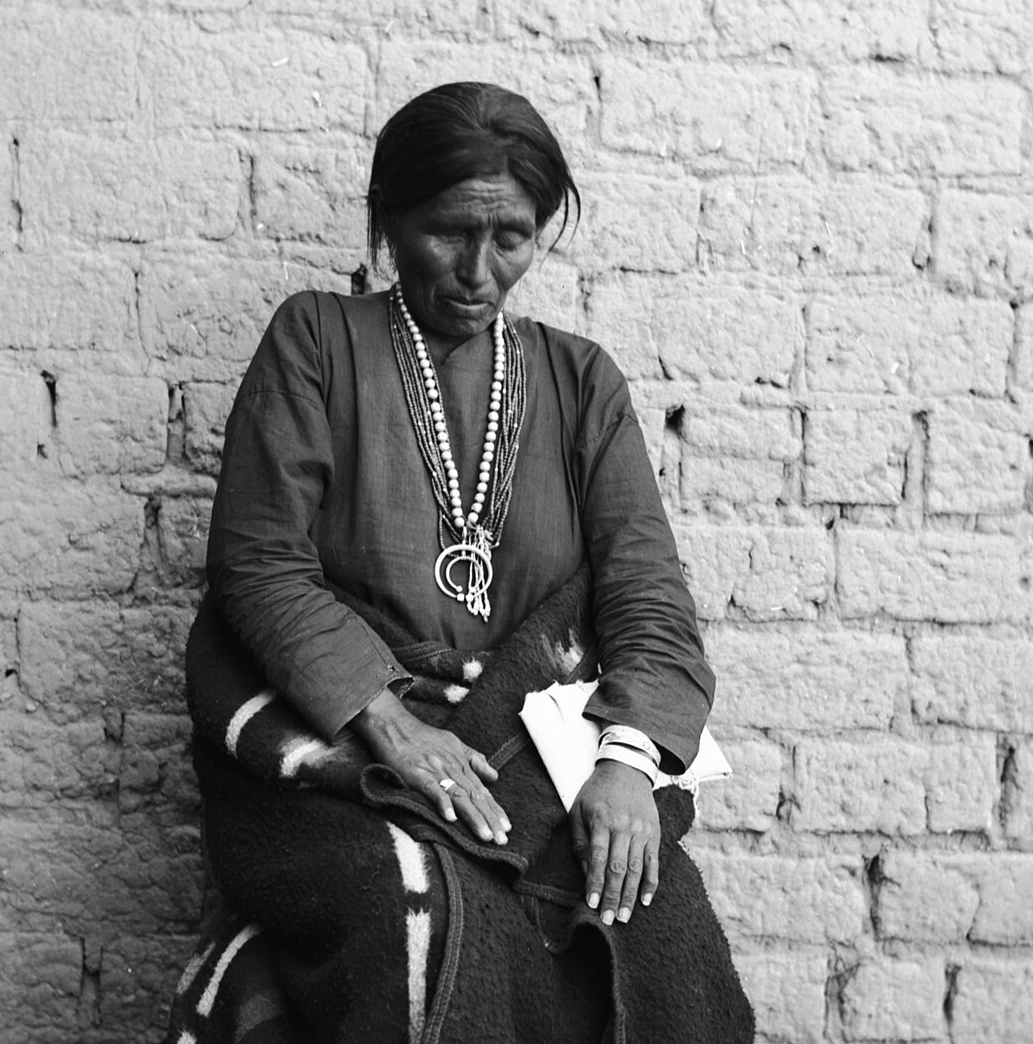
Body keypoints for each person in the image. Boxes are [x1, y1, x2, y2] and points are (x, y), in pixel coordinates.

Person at [167, 82, 754, 1044]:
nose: (478, 271)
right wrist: (390, 726)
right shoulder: (317, 341)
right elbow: (260, 565)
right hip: (340, 755)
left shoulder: (580, 382)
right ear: (389, 220)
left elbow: (647, 595)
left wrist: (627, 766)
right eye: (447, 232)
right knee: (421, 922)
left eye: (513, 237)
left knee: (656, 918)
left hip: (524, 754)